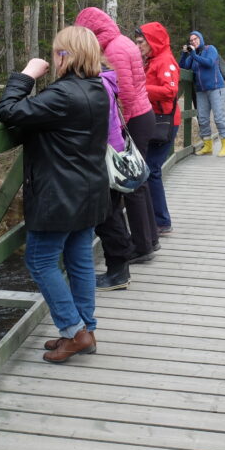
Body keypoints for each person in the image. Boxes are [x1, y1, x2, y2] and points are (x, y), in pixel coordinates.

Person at [0, 25, 110, 363]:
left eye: (58, 52)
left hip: (60, 195)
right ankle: (84, 328)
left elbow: (9, 111)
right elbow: (30, 117)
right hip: (87, 191)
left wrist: (28, 74)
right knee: (79, 259)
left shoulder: (63, 94)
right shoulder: (97, 88)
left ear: (66, 56)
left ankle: (74, 332)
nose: (54, 58)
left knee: (41, 260)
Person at [76, 7, 159, 271]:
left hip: (135, 118)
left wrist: (121, 128)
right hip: (142, 115)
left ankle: (142, 246)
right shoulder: (121, 42)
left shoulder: (113, 50)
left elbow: (124, 93)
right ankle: (148, 240)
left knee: (130, 184)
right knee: (139, 181)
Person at [93, 63, 138, 291]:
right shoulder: (106, 80)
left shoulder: (98, 83)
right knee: (112, 213)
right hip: (114, 151)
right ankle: (119, 270)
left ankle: (118, 273)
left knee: (109, 216)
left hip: (107, 156)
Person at [136, 22, 180, 236]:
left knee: (151, 169)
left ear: (152, 40)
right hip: (155, 119)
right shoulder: (153, 60)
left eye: (140, 41)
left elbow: (169, 91)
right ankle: (154, 218)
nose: (138, 45)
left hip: (165, 122)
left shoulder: (164, 61)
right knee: (148, 169)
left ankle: (161, 221)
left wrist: (139, 88)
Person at [178, 30, 225, 157]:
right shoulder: (192, 55)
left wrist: (194, 55)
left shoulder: (210, 49)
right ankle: (207, 146)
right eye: (191, 40)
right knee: (202, 118)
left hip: (216, 88)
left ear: (200, 39)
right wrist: (185, 54)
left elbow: (209, 63)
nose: (193, 42)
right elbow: (183, 67)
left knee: (219, 117)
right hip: (201, 90)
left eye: (196, 39)